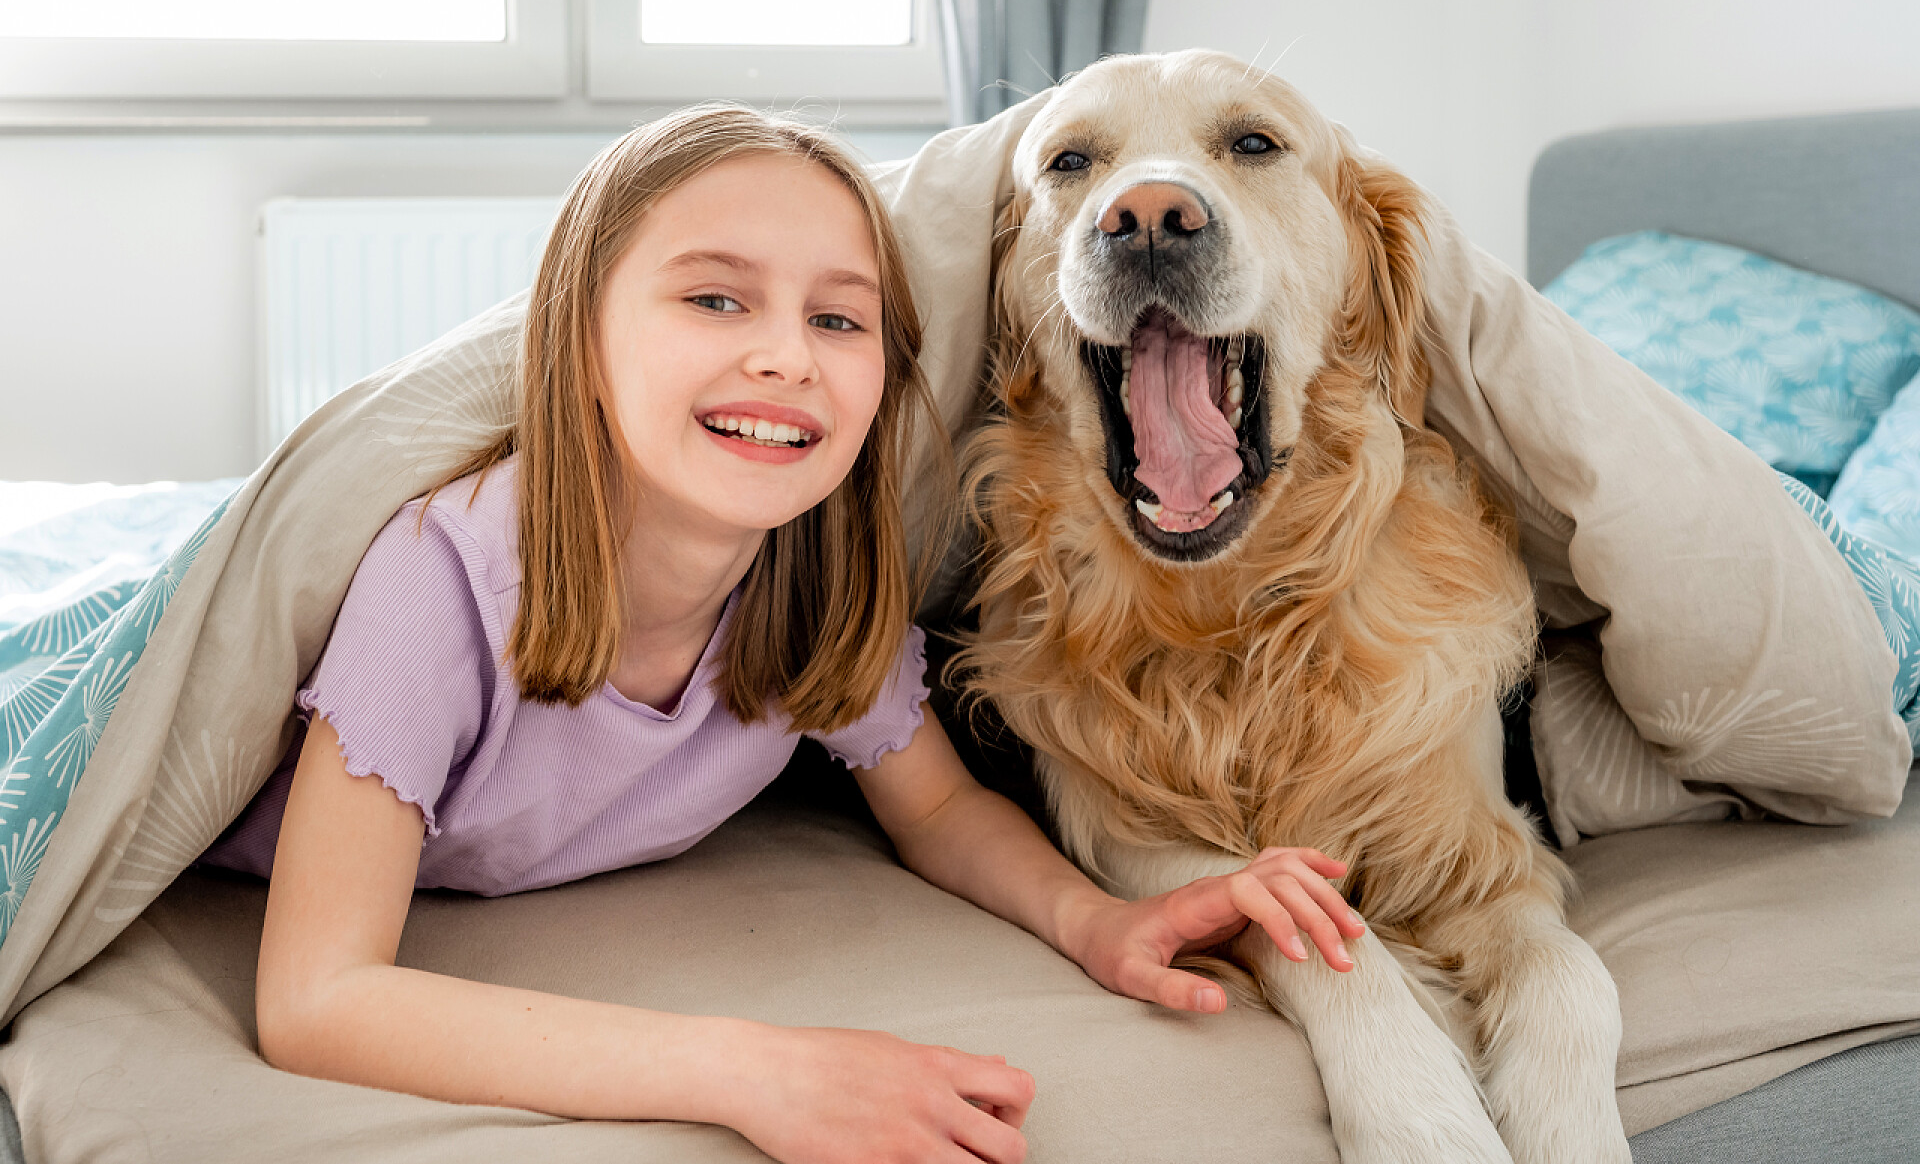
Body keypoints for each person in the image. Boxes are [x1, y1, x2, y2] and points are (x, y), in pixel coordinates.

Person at [200, 105, 1367, 1164]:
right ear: (580, 333)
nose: (786, 355)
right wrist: (754, 1069)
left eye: (838, 318)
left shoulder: (808, 575)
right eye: (715, 298)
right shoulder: (443, 579)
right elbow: (316, 996)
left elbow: (943, 810)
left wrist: (1104, 922)